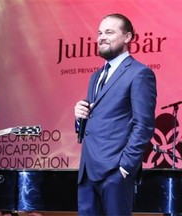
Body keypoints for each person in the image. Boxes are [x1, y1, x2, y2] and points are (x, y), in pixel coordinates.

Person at [74, 13, 157, 215]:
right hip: (87, 172)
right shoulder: (96, 76)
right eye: (100, 32)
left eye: (109, 32)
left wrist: (125, 168)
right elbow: (94, 121)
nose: (101, 37)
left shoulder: (139, 73)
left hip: (115, 173)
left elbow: (143, 125)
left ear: (127, 37)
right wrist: (79, 118)